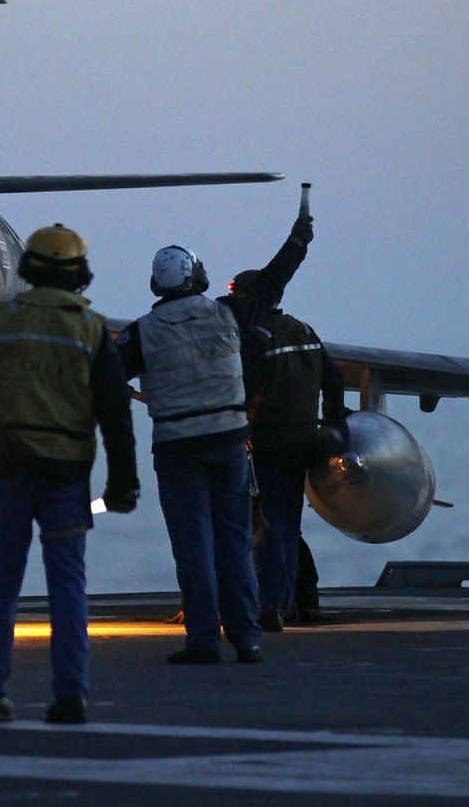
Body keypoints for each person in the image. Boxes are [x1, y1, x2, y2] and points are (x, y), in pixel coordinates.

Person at [0, 223, 139, 726]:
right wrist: (123, 483)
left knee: (0, 583)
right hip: (65, 477)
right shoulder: (91, 327)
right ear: (79, 272)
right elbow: (115, 413)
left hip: (9, 472)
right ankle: (71, 696)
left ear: (30, 268)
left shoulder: (4, 321)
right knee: (68, 586)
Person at [116, 210, 312, 665]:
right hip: (229, 445)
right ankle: (246, 638)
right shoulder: (229, 315)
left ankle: (204, 640)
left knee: (193, 546)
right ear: (198, 277)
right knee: (235, 542)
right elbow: (274, 279)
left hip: (177, 452)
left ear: (156, 285)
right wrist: (299, 238)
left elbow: (104, 379)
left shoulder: (140, 334)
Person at [230, 273, 346, 631]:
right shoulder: (305, 331)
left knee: (269, 525)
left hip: (268, 443)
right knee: (290, 525)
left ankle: (272, 604)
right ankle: (287, 602)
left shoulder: (256, 338)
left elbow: (244, 391)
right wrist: (332, 420)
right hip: (303, 442)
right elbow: (334, 378)